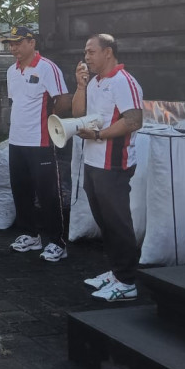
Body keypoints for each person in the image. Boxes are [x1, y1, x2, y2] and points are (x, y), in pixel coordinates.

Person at [73, 33, 144, 302]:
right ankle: (116, 272)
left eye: (91, 52)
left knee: (117, 221)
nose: (86, 57)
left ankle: (127, 281)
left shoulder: (124, 81)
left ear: (108, 52)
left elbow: (134, 120)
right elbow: (78, 115)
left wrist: (99, 135)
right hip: (92, 161)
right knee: (105, 221)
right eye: (85, 52)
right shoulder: (95, 82)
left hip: (114, 163)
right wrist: (80, 87)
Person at [3, 25, 72, 263]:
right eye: (11, 44)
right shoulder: (12, 71)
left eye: (18, 43)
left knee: (48, 193)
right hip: (17, 140)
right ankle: (31, 235)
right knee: (20, 190)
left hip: (40, 141)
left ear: (32, 43)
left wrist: (50, 122)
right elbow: (15, 102)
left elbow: (63, 99)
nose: (14, 48)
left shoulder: (47, 67)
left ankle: (57, 242)